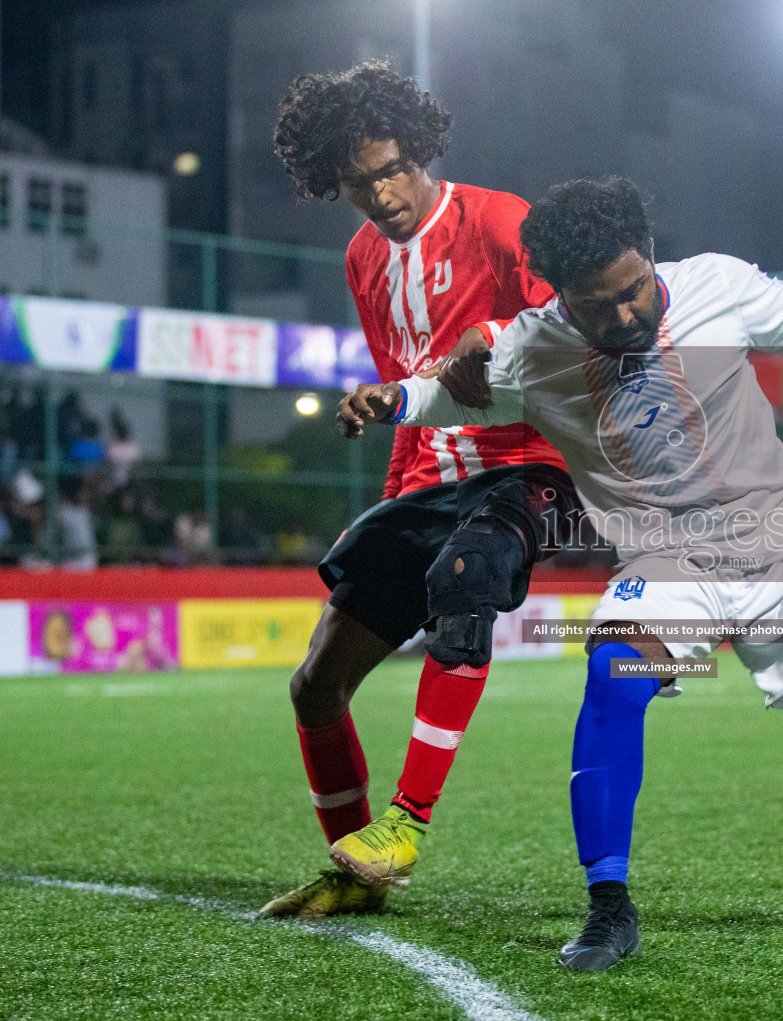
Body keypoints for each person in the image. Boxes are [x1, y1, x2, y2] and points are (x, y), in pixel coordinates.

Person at [338, 175, 783, 970]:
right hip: (669, 562)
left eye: (635, 289)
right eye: (600, 306)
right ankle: (609, 908)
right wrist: (388, 403)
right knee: (615, 674)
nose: (627, 313)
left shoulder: (717, 286)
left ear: (648, 255)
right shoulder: (533, 351)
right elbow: (448, 393)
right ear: (563, 296)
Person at [257, 60, 582, 920]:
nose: (383, 193)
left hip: (531, 467)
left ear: (421, 149)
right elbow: (404, 386)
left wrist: (491, 333)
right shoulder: (364, 258)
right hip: (430, 482)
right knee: (314, 686)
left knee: (462, 579)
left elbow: (575, 327)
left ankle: (405, 824)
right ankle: (352, 870)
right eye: (359, 182)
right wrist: (401, 503)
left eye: (394, 168)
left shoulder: (499, 220)